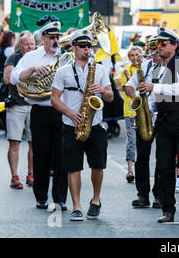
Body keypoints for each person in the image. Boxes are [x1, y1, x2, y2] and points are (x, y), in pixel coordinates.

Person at [136, 27, 179, 222]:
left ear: (174, 45)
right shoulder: (155, 68)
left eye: (164, 44)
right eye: (157, 44)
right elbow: (155, 97)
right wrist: (145, 112)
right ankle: (168, 209)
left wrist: (153, 87)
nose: (159, 47)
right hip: (164, 121)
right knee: (164, 166)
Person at [51, 30, 113, 221]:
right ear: (74, 47)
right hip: (72, 124)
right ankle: (76, 206)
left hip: (95, 123)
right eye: (83, 46)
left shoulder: (100, 69)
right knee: (73, 167)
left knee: (98, 165)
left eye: (89, 46)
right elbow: (54, 99)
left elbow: (110, 97)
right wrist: (70, 113)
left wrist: (102, 90)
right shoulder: (63, 71)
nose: (87, 49)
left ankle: (96, 199)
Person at [10, 21, 68, 210]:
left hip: (61, 110)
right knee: (41, 156)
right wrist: (33, 70)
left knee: (61, 157)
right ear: (42, 39)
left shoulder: (66, 57)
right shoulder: (31, 57)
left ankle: (59, 198)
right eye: (51, 37)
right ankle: (41, 197)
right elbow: (13, 77)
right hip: (40, 111)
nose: (55, 40)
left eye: (57, 37)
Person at [125, 35, 162, 209]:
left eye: (158, 46)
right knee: (142, 158)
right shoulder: (145, 65)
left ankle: (159, 194)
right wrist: (136, 100)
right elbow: (129, 86)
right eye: (152, 47)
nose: (155, 51)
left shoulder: (171, 67)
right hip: (144, 115)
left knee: (163, 157)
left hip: (163, 115)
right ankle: (142, 195)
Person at [4, 32, 35, 189]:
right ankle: (14, 176)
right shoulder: (14, 58)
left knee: (33, 143)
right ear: (20, 46)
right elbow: (7, 79)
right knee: (14, 142)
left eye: (32, 44)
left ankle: (31, 174)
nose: (30, 47)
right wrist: (28, 74)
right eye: (26, 44)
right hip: (17, 104)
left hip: (35, 104)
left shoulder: (39, 57)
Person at [121, 46, 142, 183]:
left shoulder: (145, 68)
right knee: (132, 140)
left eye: (137, 55)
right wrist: (129, 79)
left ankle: (141, 169)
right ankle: (130, 169)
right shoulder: (126, 70)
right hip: (130, 111)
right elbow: (126, 90)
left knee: (144, 141)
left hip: (144, 111)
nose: (135, 58)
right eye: (132, 55)